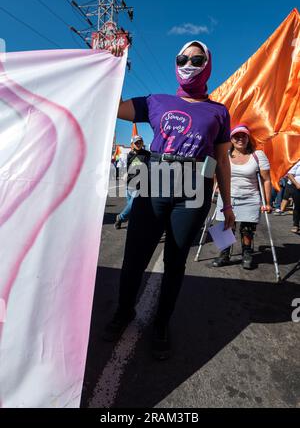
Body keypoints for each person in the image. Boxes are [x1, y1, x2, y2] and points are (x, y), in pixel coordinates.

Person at [103, 40, 235, 360]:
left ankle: (161, 323)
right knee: (135, 254)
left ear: (208, 64)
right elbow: (113, 105)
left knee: (175, 261)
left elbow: (222, 159)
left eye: (197, 58)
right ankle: (124, 311)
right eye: (182, 57)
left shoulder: (219, 111)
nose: (189, 62)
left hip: (194, 185)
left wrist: (227, 204)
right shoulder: (156, 101)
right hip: (154, 178)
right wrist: (114, 65)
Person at [212, 125, 272, 270]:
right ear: (231, 139)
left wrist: (268, 202)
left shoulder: (258, 155)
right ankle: (224, 254)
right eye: (236, 136)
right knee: (225, 227)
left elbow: (266, 180)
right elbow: (215, 172)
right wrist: (216, 185)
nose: (240, 139)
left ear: (248, 138)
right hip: (227, 197)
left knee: (247, 229)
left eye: (243, 136)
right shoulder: (224, 154)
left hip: (250, 198)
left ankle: (247, 254)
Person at [114, 135, 150, 229]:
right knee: (132, 209)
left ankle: (120, 217)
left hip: (140, 186)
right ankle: (132, 225)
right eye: (136, 142)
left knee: (133, 206)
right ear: (132, 144)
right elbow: (123, 167)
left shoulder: (147, 154)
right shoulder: (128, 155)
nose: (138, 144)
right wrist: (123, 174)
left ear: (142, 143)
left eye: (140, 142)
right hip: (129, 185)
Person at [286, 160, 300, 233]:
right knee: (298, 206)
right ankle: (296, 225)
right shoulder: (297, 161)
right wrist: (297, 184)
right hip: (296, 187)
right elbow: (290, 174)